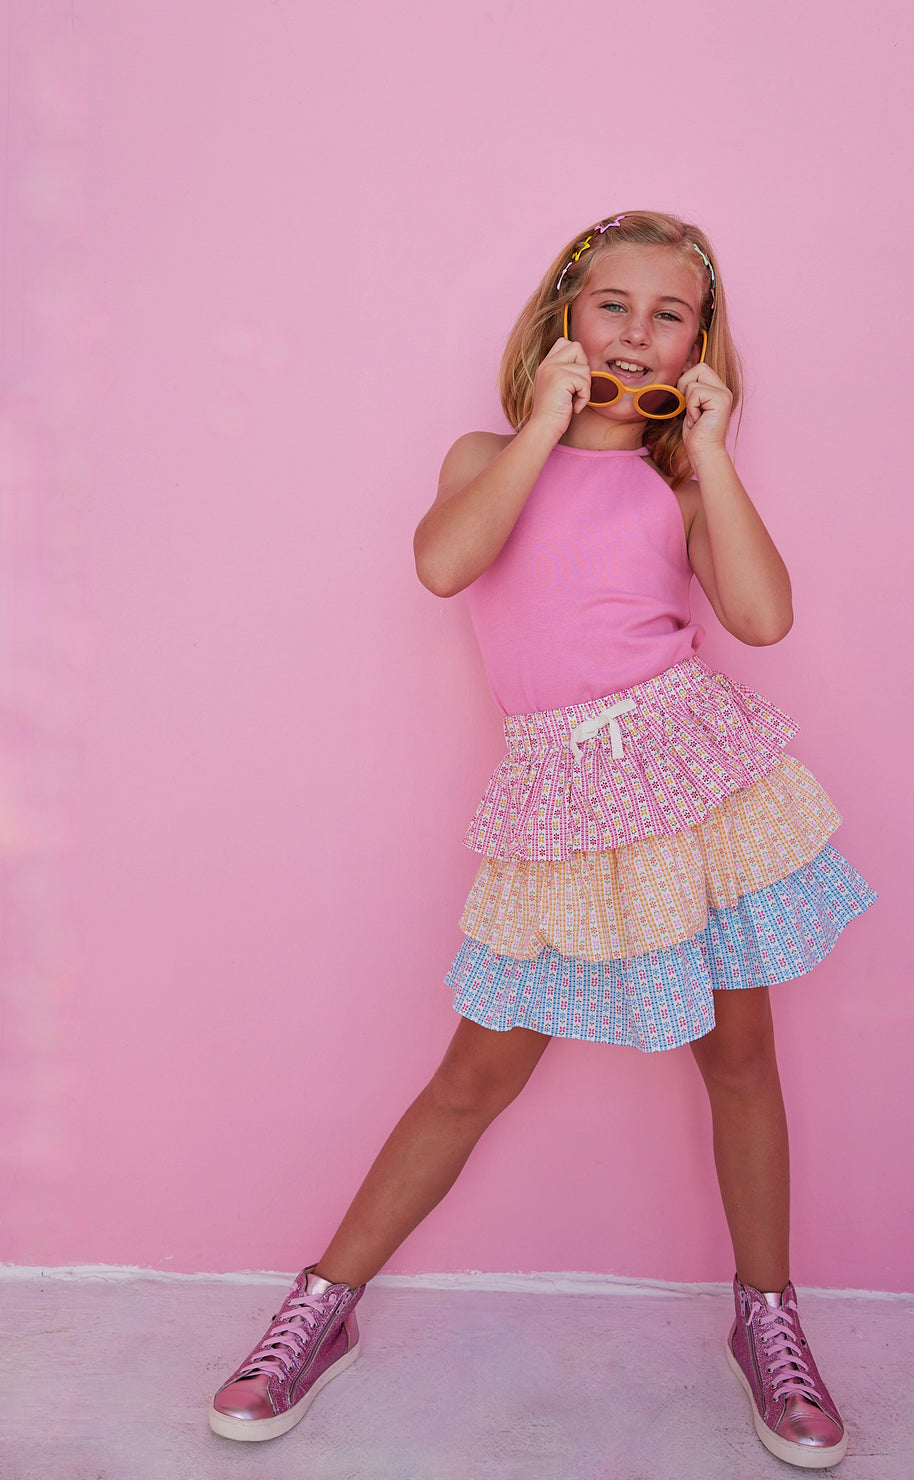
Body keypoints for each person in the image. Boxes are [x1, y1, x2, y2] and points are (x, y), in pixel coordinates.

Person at [208, 210, 875, 1469]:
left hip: (687, 777)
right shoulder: (484, 454)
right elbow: (444, 563)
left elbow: (763, 617)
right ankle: (321, 1306)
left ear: (699, 344)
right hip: (558, 800)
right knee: (476, 1072)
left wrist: (714, 455)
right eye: (609, 303)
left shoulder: (681, 484)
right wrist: (539, 428)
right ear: (564, 316)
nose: (634, 330)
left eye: (666, 312)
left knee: (738, 1059)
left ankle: (768, 1320)